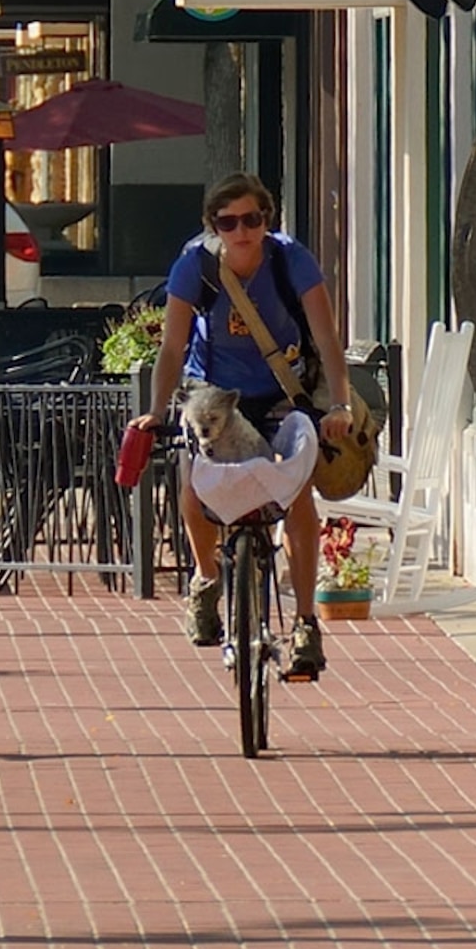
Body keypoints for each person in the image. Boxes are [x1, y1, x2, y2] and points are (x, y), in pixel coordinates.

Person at [131, 175, 354, 680]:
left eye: (251, 220)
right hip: (214, 393)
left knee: (295, 494)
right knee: (196, 483)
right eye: (228, 222)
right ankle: (207, 583)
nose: (241, 231)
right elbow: (171, 347)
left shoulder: (290, 260)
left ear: (266, 221)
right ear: (214, 227)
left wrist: (338, 404)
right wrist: (157, 409)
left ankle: (304, 624)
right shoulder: (196, 266)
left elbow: (326, 336)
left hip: (282, 389)